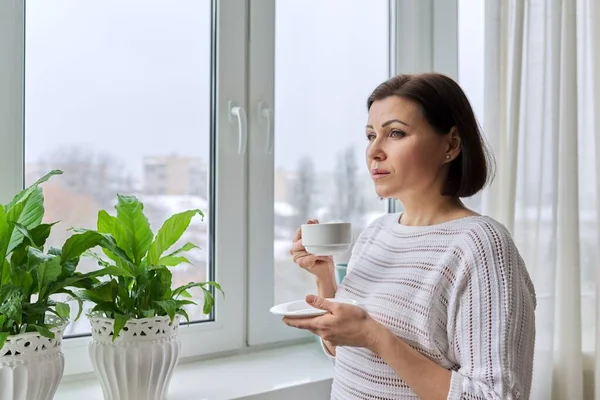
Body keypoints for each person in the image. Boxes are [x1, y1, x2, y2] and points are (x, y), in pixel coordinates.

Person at [286, 73, 536, 400]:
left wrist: (375, 336)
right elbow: (348, 354)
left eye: (396, 133)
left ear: (451, 145)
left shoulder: (482, 246)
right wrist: (324, 279)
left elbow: (496, 396)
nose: (374, 150)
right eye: (371, 135)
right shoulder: (377, 233)